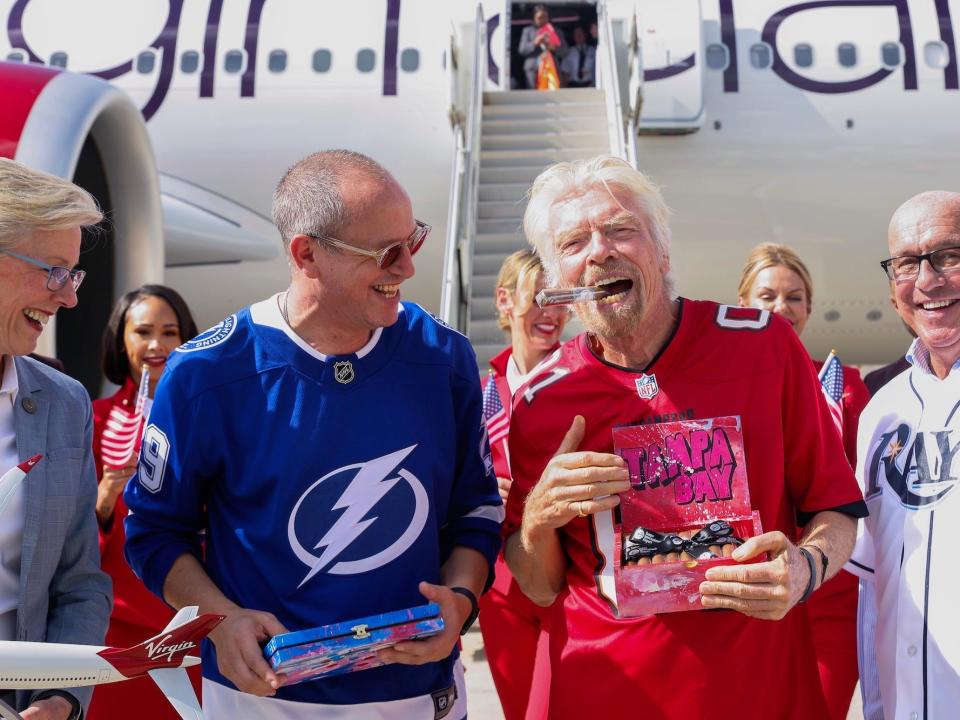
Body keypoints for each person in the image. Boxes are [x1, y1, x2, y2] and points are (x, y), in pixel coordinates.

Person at [123, 150, 503, 719]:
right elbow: (154, 533)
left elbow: (476, 511)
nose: (407, 268)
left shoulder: (442, 356)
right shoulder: (206, 373)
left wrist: (462, 601)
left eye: (412, 240)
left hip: (421, 699)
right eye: (384, 252)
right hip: (262, 703)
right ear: (306, 254)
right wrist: (222, 621)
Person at [503, 156, 866, 718]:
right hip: (600, 691)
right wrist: (537, 518)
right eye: (574, 242)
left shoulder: (763, 348)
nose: (600, 251)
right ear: (556, 282)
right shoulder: (541, 399)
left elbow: (835, 508)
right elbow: (541, 586)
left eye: (622, 229)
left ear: (663, 250)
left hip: (756, 691)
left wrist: (806, 568)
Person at [737, 242, 869, 720]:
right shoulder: (722, 388)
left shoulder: (845, 385)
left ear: (809, 308)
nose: (781, 308)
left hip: (827, 593)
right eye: (767, 295)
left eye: (795, 297)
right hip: (752, 596)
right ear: (743, 304)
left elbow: (866, 488)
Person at [0, 157, 111, 719]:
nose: (68, 297)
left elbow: (80, 583)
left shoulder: (65, 404)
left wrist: (62, 696)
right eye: (53, 270)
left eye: (74, 273)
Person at [847, 191, 960, 720]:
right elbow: (875, 592)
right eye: (907, 264)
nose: (928, 280)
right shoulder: (882, 413)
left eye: (949, 255)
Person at [87, 285, 199, 720]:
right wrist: (104, 499)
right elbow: (62, 541)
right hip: (112, 627)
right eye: (143, 331)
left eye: (170, 332)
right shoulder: (90, 419)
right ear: (122, 341)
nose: (157, 345)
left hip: (190, 624)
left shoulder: (207, 418)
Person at [479, 250, 566, 720]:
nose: (551, 313)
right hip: (501, 588)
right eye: (539, 298)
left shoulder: (586, 385)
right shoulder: (478, 396)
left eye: (559, 300)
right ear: (506, 301)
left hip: (566, 581)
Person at [518, 5, 566, 90]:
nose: (542, 20)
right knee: (532, 98)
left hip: (552, 70)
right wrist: (534, 43)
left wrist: (553, 48)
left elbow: (565, 51)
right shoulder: (527, 31)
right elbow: (521, 50)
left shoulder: (556, 31)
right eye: (539, 18)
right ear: (534, 18)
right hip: (532, 70)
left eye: (545, 17)